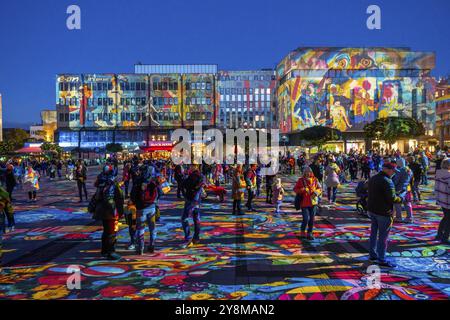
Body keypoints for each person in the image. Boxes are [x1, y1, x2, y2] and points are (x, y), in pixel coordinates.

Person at [367, 162, 402, 267]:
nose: (394, 173)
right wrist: (401, 198)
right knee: (383, 237)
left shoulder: (373, 178)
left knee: (373, 233)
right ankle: (382, 259)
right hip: (383, 212)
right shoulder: (387, 181)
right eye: (393, 171)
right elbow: (392, 198)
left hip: (372, 210)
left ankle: (373, 255)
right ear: (388, 170)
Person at [93, 165, 124, 260]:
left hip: (102, 211)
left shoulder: (100, 182)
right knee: (112, 232)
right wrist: (121, 212)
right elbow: (119, 198)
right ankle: (111, 251)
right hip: (111, 212)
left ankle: (104, 250)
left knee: (106, 231)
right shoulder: (113, 184)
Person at [130, 164, 160, 254]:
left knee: (140, 228)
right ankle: (152, 245)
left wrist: (136, 203)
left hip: (141, 208)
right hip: (152, 207)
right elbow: (161, 192)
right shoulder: (154, 181)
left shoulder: (139, 180)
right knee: (152, 227)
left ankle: (141, 248)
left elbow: (133, 194)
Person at [294, 167, 322, 239]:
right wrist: (302, 190)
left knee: (312, 219)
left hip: (313, 203)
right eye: (306, 172)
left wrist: (316, 192)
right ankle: (302, 231)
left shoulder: (315, 180)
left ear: (311, 172)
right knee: (306, 219)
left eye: (309, 172)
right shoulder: (301, 180)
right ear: (304, 173)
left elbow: (320, 188)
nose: (308, 173)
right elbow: (295, 189)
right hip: (304, 203)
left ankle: (310, 233)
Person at [181, 165, 204, 245]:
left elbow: (185, 185)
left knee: (185, 218)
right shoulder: (200, 176)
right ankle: (196, 237)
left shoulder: (193, 176)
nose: (190, 167)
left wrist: (185, 179)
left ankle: (188, 236)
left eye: (191, 166)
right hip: (196, 200)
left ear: (195, 167)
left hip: (191, 199)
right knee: (196, 219)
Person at [392, 158, 414, 223]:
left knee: (397, 203)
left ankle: (399, 217)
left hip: (399, 189)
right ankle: (409, 217)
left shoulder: (400, 170)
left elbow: (396, 180)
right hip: (407, 188)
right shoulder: (409, 170)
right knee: (407, 203)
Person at [434, 158, 450, 244]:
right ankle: (445, 237)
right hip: (448, 200)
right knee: (448, 219)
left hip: (442, 199)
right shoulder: (448, 175)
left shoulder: (438, 173)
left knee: (446, 218)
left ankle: (439, 234)